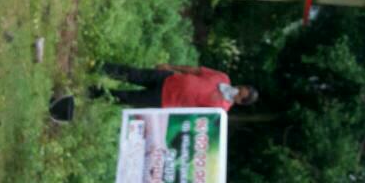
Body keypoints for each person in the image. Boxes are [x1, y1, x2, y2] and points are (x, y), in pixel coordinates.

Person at [88, 62, 258, 109]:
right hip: (168, 78)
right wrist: (170, 67)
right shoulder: (223, 77)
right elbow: (195, 70)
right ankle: (101, 67)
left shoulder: (220, 109)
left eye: (239, 94)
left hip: (165, 100)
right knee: (133, 74)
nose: (236, 90)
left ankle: (94, 93)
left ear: (240, 101)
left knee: (127, 98)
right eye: (239, 88)